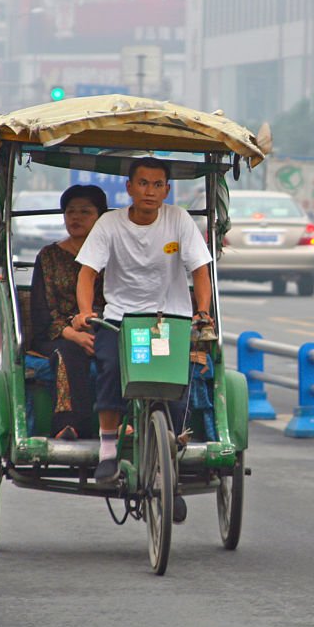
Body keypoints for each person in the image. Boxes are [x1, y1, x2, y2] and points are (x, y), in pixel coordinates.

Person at [71, 157, 215, 489]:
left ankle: (171, 460)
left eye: (157, 185)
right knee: (109, 369)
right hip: (121, 320)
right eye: (143, 183)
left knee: (178, 386)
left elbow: (200, 270)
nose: (150, 191)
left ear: (167, 189)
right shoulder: (110, 224)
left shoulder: (178, 219)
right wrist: (84, 311)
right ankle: (108, 451)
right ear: (130, 187)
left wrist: (203, 310)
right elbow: (87, 273)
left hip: (170, 322)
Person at [30, 185, 108, 440]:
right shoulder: (49, 256)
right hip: (56, 333)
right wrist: (72, 334)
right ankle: (69, 425)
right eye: (71, 212)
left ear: (100, 216)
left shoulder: (113, 255)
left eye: (85, 212)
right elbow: (41, 311)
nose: (76, 218)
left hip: (104, 328)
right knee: (68, 353)